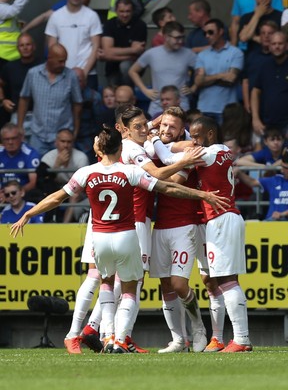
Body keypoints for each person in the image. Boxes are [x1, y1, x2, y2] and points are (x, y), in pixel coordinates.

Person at [10, 125, 229, 354]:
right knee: (129, 290)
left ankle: (108, 336)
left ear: (100, 148)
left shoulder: (85, 172)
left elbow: (57, 197)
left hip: (100, 238)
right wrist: (201, 194)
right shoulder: (130, 172)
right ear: (120, 147)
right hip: (126, 236)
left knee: (105, 283)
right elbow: (168, 188)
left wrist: (28, 213)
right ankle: (121, 339)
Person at [152, 115, 253, 352]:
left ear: (210, 134)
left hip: (220, 218)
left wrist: (154, 138)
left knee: (227, 281)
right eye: (192, 137)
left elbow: (167, 158)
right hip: (226, 218)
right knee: (223, 280)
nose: (193, 142)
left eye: (197, 137)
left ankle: (241, 339)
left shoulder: (207, 153)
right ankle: (230, 338)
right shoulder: (223, 150)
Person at [149, 107, 209, 353]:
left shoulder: (189, 148)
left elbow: (174, 183)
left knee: (179, 283)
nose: (165, 130)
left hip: (185, 223)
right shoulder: (156, 145)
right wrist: (154, 125)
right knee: (165, 285)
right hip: (160, 223)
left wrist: (149, 177)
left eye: (172, 127)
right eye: (163, 125)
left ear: (181, 129)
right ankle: (178, 340)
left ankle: (198, 328)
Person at [17, 43, 83, 156]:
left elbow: (77, 104)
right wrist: (19, 126)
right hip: (38, 134)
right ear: (49, 58)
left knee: (62, 171)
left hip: (62, 135)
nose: (63, 64)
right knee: (36, 170)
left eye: (65, 61)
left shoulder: (71, 76)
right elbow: (24, 99)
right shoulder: (33, 73)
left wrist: (75, 130)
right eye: (60, 61)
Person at [129, 21, 196, 117]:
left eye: (182, 37)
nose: (180, 41)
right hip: (157, 106)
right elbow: (132, 71)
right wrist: (145, 90)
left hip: (182, 105)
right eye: (177, 38)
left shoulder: (188, 54)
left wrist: (194, 87)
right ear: (166, 37)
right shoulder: (152, 53)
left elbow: (202, 71)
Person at [45, 0, 102, 91]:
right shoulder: (56, 16)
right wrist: (58, 70)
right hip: (62, 74)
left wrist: (84, 73)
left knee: (89, 105)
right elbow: (52, 48)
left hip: (88, 74)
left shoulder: (92, 16)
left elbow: (96, 47)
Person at [194, 18, 244, 125]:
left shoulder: (235, 53)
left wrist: (207, 79)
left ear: (221, 31)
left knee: (225, 141)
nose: (207, 35)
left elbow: (231, 79)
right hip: (204, 109)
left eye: (211, 32)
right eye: (205, 33)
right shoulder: (202, 55)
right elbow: (198, 81)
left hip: (227, 110)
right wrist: (221, 75)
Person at [36, 128, 89, 223]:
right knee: (50, 192)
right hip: (57, 189)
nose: (66, 145)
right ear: (56, 142)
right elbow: (42, 181)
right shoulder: (48, 157)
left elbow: (83, 183)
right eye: (63, 141)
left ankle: (65, 224)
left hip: (76, 191)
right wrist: (57, 165)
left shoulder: (81, 158)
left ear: (73, 143)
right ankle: (50, 221)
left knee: (74, 195)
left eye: (69, 142)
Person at [0, 33, 41, 142]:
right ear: (17, 48)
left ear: (34, 46)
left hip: (39, 115)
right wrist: (3, 100)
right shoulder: (10, 67)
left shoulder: (43, 65)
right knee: (15, 147)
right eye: (22, 45)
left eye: (28, 44)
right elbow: (1, 84)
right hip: (16, 115)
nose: (25, 48)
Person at [101, 0, 147, 87]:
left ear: (132, 11)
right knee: (112, 96)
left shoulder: (140, 25)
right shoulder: (109, 24)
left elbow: (135, 55)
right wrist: (132, 50)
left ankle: (128, 91)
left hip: (132, 68)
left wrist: (111, 54)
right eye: (121, 11)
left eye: (128, 11)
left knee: (125, 66)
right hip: (112, 69)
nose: (125, 15)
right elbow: (107, 51)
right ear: (116, 11)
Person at [250, 31, 288, 136]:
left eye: (280, 44)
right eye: (274, 44)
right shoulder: (264, 65)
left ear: (286, 46)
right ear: (270, 46)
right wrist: (255, 119)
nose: (277, 47)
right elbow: (255, 91)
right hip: (266, 123)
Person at [236, 147, 288, 220]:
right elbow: (253, 182)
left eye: (285, 168)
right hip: (270, 221)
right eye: (281, 167)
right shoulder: (275, 179)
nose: (282, 170)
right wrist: (239, 173)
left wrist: (282, 214)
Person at [241, 20, 278, 114]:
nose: (266, 36)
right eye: (263, 33)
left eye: (270, 33)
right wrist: (246, 103)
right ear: (259, 36)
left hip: (274, 104)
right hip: (254, 105)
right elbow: (245, 81)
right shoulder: (251, 56)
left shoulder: (280, 57)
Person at [0, 123, 39, 202]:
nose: (10, 142)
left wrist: (12, 194)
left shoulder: (30, 153)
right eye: (6, 139)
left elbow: (33, 182)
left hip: (23, 195)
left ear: (21, 138)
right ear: (2, 140)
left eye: (14, 138)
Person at [0, 0, 34, 70]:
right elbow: (15, 9)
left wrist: (17, 24)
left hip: (12, 56)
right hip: (3, 57)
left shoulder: (4, 7)